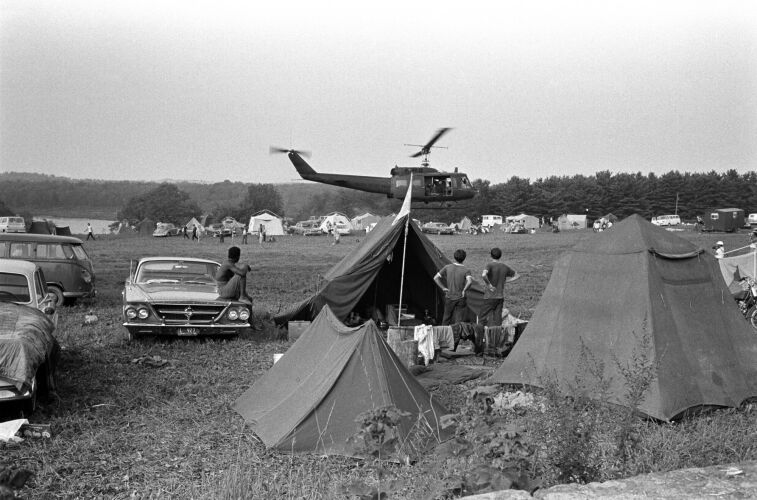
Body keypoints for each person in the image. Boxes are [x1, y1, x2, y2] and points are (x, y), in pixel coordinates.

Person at [480, 247, 519, 326]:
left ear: (491, 256)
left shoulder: (489, 265)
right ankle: (497, 335)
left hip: (489, 297)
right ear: (500, 256)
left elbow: (483, 275)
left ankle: (481, 335)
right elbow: (517, 275)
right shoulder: (504, 267)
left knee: (482, 318)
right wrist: (508, 281)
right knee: (498, 320)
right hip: (500, 297)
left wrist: (489, 285)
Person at [433, 249, 473, 326]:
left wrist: (443, 288)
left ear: (454, 257)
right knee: (458, 320)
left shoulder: (447, 267)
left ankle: (444, 335)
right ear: (464, 258)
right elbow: (470, 281)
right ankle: (456, 336)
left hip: (449, 296)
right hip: (460, 297)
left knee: (446, 318)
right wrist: (464, 290)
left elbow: (435, 278)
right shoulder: (466, 270)